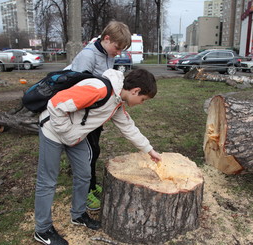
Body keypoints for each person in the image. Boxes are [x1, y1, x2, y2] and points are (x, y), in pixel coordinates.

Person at [34, 68, 162, 245]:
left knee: (84, 174)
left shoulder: (117, 101)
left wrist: (149, 150)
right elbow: (56, 104)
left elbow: (128, 127)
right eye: (143, 99)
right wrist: (67, 134)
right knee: (47, 181)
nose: (142, 103)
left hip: (74, 135)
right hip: (53, 131)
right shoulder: (99, 90)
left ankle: (78, 215)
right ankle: (42, 229)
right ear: (135, 91)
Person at [68, 20, 131, 211]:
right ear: (106, 38)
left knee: (94, 150)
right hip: (82, 117)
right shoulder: (87, 56)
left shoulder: (107, 53)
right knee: (86, 153)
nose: (118, 53)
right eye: (117, 48)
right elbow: (77, 89)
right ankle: (85, 192)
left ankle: (92, 184)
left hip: (95, 115)